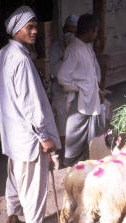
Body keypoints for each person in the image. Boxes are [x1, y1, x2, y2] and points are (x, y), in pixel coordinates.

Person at [0, 6, 61, 223]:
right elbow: (30, 104)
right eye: (30, 27)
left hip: (14, 133)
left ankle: (12, 219)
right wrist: (44, 136)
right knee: (33, 181)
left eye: (35, 27)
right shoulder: (21, 60)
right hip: (28, 134)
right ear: (16, 30)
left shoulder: (5, 53)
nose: (35, 32)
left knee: (15, 176)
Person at [57, 13, 105, 167]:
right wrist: (78, 88)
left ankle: (87, 170)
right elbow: (62, 76)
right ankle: (70, 169)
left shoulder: (86, 47)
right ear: (90, 30)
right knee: (75, 140)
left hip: (92, 99)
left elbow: (90, 75)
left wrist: (97, 91)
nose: (96, 35)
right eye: (96, 31)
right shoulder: (74, 48)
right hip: (80, 101)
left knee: (93, 141)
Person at [49, 13, 78, 167]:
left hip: (75, 90)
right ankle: (62, 155)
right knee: (61, 123)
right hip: (60, 91)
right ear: (64, 29)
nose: (71, 34)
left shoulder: (80, 46)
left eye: (74, 31)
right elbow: (56, 69)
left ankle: (73, 155)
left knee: (75, 123)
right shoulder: (55, 47)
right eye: (69, 30)